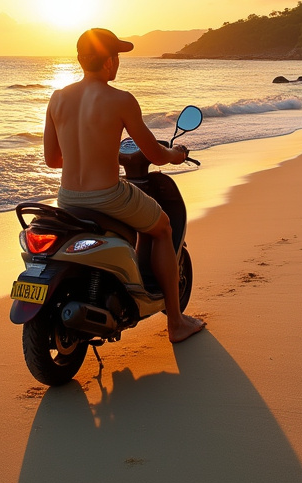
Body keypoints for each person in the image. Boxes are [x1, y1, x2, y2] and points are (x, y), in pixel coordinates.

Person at [43, 28, 206, 344]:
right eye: (116, 56)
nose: (117, 62)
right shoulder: (121, 100)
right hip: (107, 197)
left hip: (67, 198)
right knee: (161, 227)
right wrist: (175, 155)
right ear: (107, 62)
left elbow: (53, 159)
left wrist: (100, 156)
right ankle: (175, 322)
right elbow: (153, 152)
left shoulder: (58, 98)